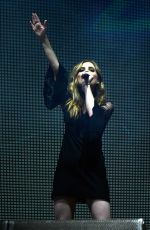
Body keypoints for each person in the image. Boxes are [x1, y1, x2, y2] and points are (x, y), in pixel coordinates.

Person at [30, 13, 114, 220]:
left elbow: (93, 130)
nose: (86, 72)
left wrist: (86, 91)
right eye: (81, 70)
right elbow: (56, 66)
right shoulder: (68, 104)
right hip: (68, 169)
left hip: (94, 171)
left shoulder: (107, 107)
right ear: (75, 78)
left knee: (105, 226)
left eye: (91, 70)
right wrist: (43, 39)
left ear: (98, 79)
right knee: (62, 226)